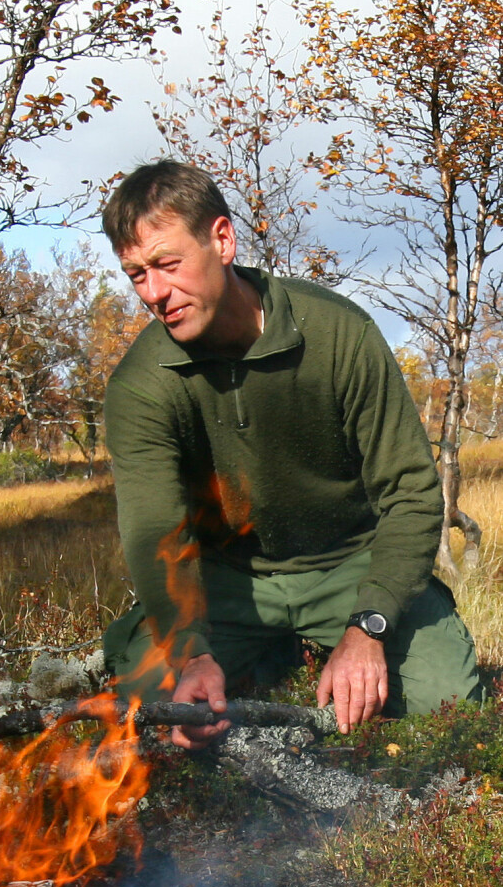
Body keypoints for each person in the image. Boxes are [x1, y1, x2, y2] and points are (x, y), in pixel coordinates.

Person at [101, 160, 482, 748]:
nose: (154, 293)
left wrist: (369, 625)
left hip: (350, 563)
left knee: (446, 703)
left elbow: (410, 492)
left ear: (222, 240)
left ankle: (308, 646)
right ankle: (268, 652)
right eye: (136, 275)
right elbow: (157, 535)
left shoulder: (338, 335)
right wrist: (191, 654)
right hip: (228, 580)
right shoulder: (140, 384)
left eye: (167, 264)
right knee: (150, 708)